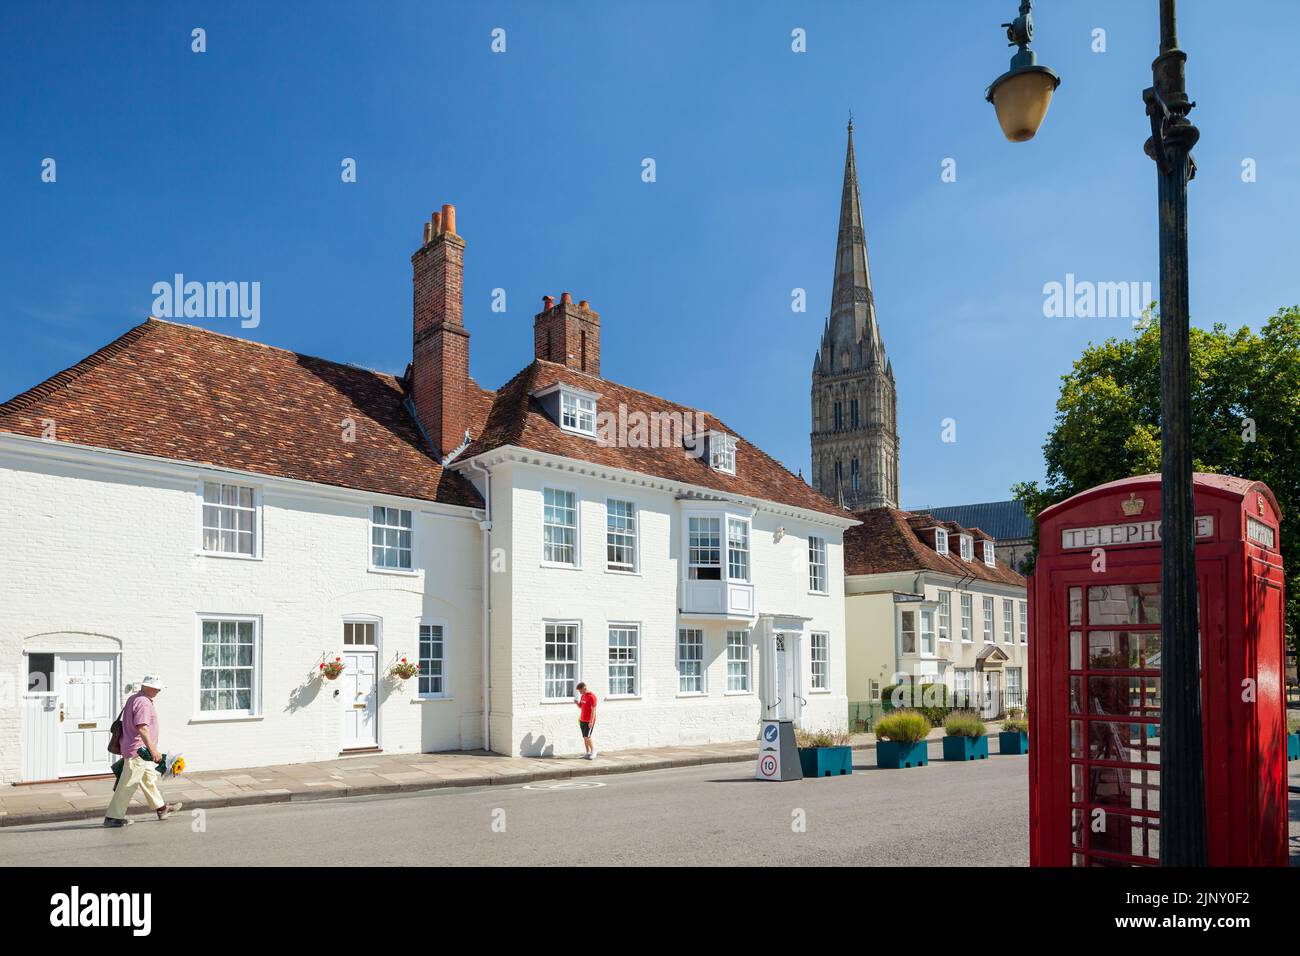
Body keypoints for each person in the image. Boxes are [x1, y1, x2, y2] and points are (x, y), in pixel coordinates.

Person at [104, 675, 182, 827]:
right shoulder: (144, 703)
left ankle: (162, 808)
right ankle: (113, 817)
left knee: (148, 780)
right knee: (128, 784)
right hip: (139, 751)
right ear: (148, 687)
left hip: (137, 750)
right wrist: (154, 751)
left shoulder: (134, 698)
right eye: (157, 688)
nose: (158, 691)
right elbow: (142, 728)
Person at [574, 682, 597, 759]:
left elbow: (593, 710)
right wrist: (577, 703)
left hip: (589, 720)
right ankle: (588, 752)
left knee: (588, 736)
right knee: (584, 737)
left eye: (580, 691)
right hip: (582, 719)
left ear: (584, 688)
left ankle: (593, 751)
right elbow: (581, 706)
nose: (580, 693)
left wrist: (591, 721)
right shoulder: (583, 696)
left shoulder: (592, 697)